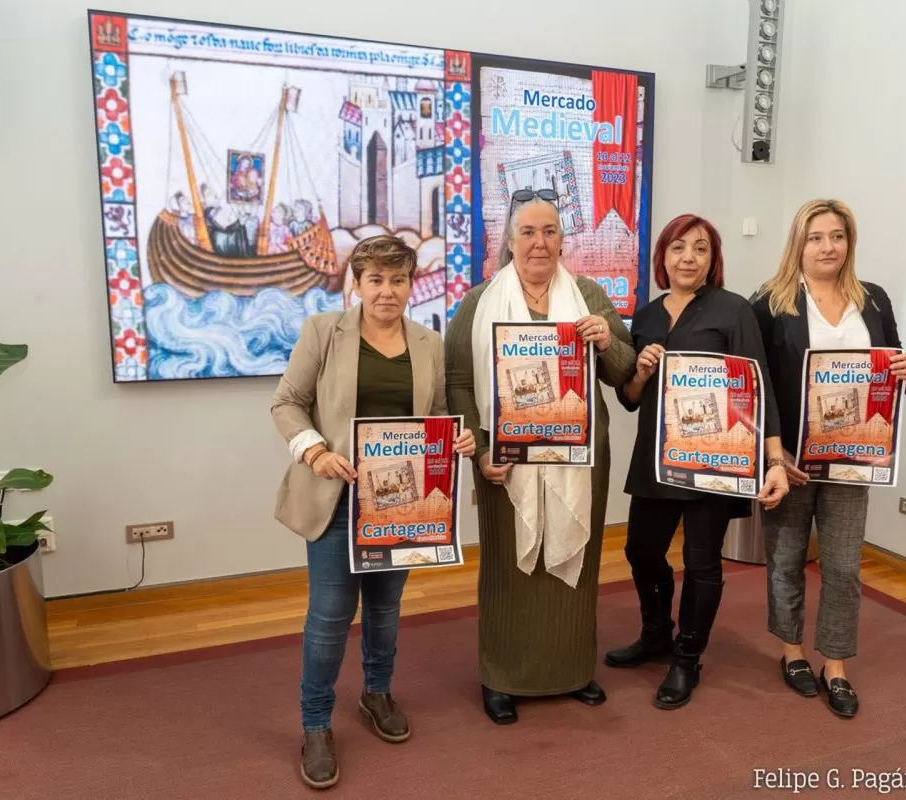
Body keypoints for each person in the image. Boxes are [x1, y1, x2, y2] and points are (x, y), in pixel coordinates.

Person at [271, 234, 477, 789]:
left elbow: (435, 415)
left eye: (398, 279)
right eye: (376, 280)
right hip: (337, 499)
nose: (388, 291)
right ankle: (315, 724)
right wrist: (314, 451)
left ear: (412, 284)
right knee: (330, 618)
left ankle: (376, 693)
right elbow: (286, 402)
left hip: (402, 505)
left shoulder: (429, 344)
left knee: (385, 610)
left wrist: (457, 440)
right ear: (356, 284)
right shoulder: (322, 333)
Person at [444, 189, 637, 724]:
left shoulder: (590, 295)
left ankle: (573, 670)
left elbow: (624, 374)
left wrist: (606, 342)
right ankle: (501, 676)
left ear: (562, 240)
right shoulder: (478, 302)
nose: (539, 242)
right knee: (507, 567)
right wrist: (480, 451)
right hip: (502, 462)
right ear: (509, 241)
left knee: (579, 561)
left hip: (579, 460)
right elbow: (458, 383)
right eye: (528, 232)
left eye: (549, 231)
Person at [603, 214, 789, 709]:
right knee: (641, 550)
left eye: (701, 249)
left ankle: (688, 658)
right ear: (662, 256)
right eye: (678, 247)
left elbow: (759, 386)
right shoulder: (644, 315)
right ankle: (656, 634)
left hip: (714, 460)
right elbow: (629, 398)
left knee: (701, 562)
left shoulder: (732, 311)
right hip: (656, 458)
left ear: (713, 259)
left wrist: (773, 457)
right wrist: (640, 372)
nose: (689, 257)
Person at [751, 199, 906, 718]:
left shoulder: (872, 300)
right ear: (798, 244)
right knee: (785, 560)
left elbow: (890, 364)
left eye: (837, 236)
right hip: (791, 459)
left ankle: (836, 663)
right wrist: (775, 451)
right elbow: (758, 384)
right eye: (816, 237)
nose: (828, 247)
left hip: (853, 459)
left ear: (849, 242)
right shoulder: (769, 302)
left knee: (844, 566)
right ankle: (791, 652)